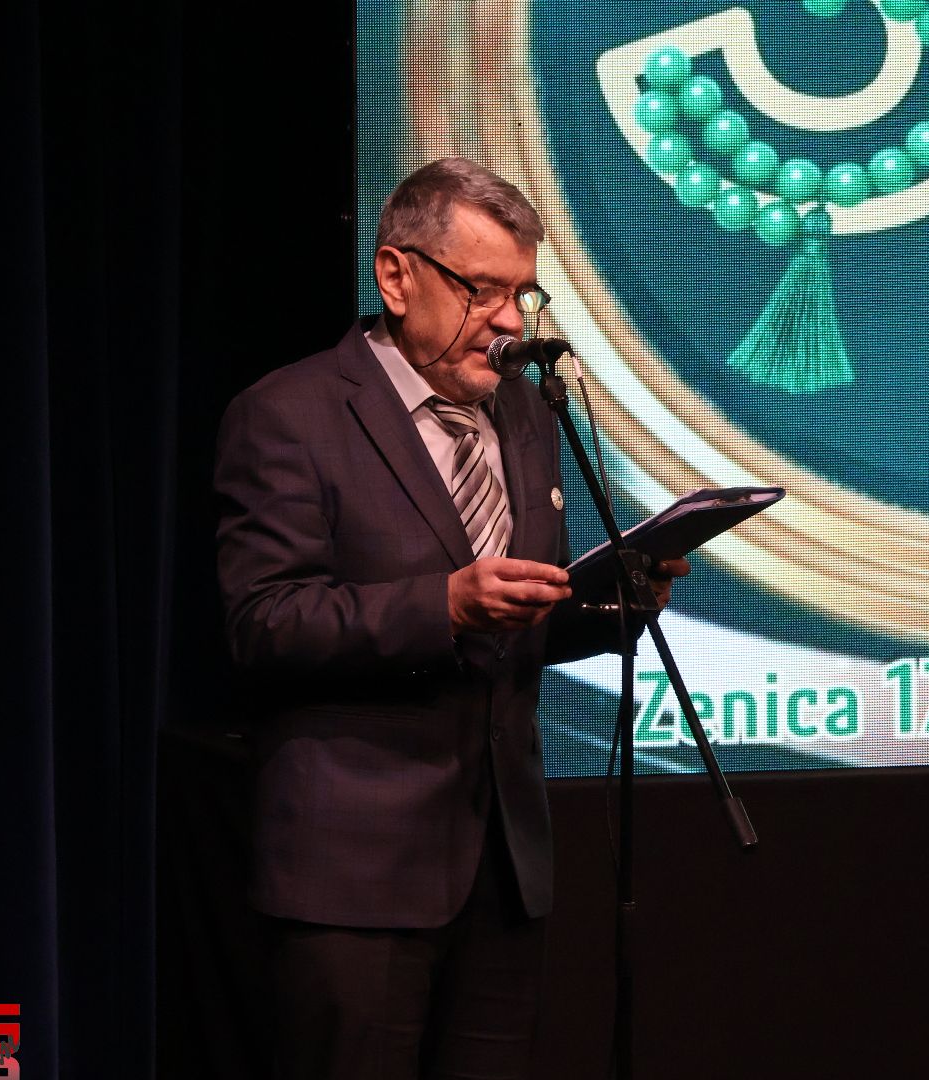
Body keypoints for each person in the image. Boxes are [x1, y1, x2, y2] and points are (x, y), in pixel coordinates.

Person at [213, 157, 687, 1080]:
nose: (509, 321)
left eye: (523, 294)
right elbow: (263, 623)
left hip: (503, 870)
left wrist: (613, 606)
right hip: (356, 878)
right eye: (483, 290)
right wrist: (444, 603)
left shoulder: (525, 412)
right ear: (396, 277)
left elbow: (515, 625)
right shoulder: (289, 415)